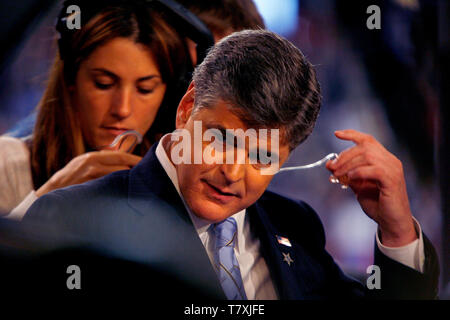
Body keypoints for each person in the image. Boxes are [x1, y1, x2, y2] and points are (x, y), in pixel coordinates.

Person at [22, 30, 439, 299]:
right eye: (221, 141)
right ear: (187, 109)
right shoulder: (70, 218)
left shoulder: (295, 225)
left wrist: (398, 229)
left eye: (263, 157)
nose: (233, 172)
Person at [0, 0, 265, 219]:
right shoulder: (8, 163)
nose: (122, 109)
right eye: (103, 83)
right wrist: (48, 200)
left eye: (145, 89)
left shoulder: (192, 187)